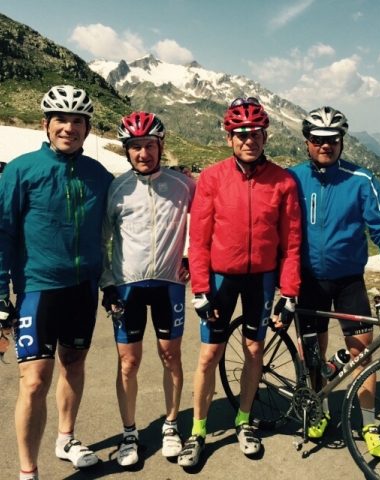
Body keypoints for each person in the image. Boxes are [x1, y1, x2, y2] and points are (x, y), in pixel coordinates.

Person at [288, 106, 380, 458]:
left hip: (348, 282)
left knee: (363, 354)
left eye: (333, 139)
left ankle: (369, 424)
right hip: (308, 282)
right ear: (307, 142)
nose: (326, 145)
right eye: (318, 139)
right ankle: (319, 410)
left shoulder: (362, 180)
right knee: (312, 356)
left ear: (342, 141)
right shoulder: (292, 178)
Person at [177, 97, 302, 468]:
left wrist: (290, 292)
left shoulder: (283, 181)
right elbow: (199, 240)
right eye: (242, 134)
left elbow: (292, 243)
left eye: (256, 134)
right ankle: (198, 430)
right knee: (209, 355)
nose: (249, 140)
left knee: (254, 350)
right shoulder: (212, 177)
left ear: (265, 137)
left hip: (261, 280)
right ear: (229, 138)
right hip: (221, 279)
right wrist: (200, 289)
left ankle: (244, 421)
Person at [0, 85, 114, 480]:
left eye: (77, 121)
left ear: (87, 128)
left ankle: (65, 439)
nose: (69, 128)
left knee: (74, 364)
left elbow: (116, 229)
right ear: (45, 125)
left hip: (83, 288)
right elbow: (3, 234)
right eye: (60, 120)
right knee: (34, 382)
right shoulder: (20, 170)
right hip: (38, 288)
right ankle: (28, 472)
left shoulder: (99, 175)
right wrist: (0, 295)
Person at [99, 112, 196, 467]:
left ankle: (171, 426)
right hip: (128, 286)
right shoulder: (117, 188)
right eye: (136, 146)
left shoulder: (184, 185)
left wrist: (190, 256)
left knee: (171, 356)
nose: (143, 153)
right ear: (127, 150)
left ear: (160, 146)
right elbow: (101, 240)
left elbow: (203, 222)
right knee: (129, 362)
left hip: (169, 284)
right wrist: (107, 283)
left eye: (150, 145)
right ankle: (129, 433)